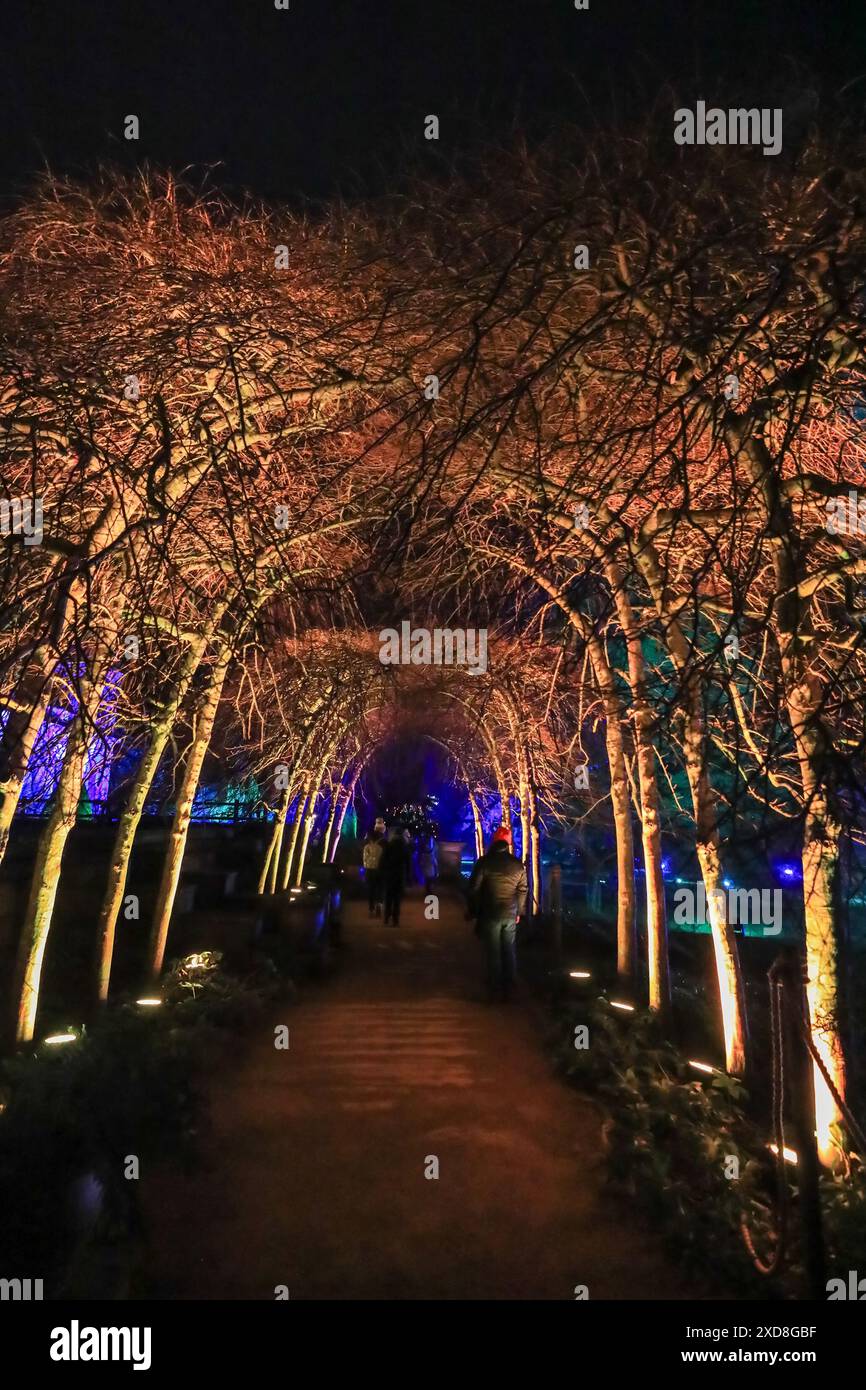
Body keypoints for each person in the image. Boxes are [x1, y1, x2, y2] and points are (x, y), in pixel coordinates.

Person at [467, 827, 528, 1001]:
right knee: (509, 950)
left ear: (494, 841)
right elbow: (523, 889)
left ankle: (493, 988)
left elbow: (473, 889)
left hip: (489, 913)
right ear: (508, 843)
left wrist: (473, 910)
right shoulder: (517, 865)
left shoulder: (484, 862)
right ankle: (509, 987)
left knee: (493, 952)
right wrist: (519, 911)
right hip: (510, 913)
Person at [381, 827, 409, 927]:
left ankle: (386, 918)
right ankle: (395, 920)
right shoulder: (404, 846)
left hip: (389, 874)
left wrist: (383, 871)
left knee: (388, 897)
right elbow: (408, 862)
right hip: (399, 874)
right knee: (397, 899)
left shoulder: (389, 845)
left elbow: (383, 860)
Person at [362, 828, 384, 917]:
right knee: (380, 889)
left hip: (369, 870)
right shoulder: (380, 847)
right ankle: (379, 904)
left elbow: (364, 859)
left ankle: (371, 908)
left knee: (371, 889)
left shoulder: (367, 847)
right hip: (379, 870)